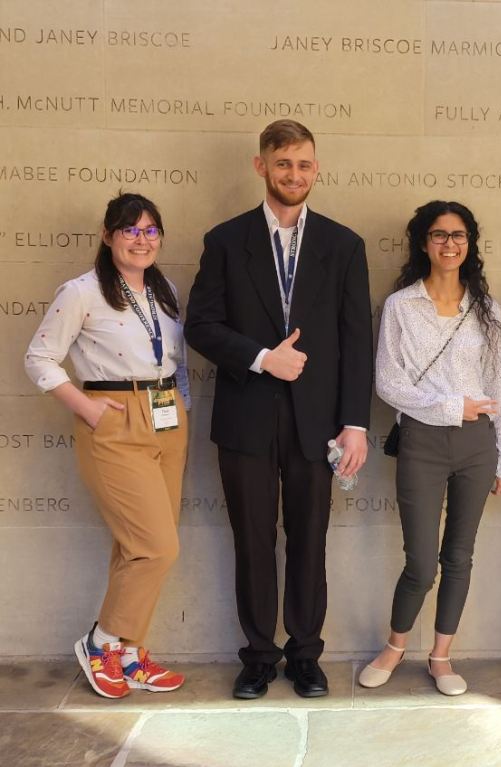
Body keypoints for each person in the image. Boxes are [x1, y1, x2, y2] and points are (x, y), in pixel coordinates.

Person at [185, 119, 372, 699]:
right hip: (246, 419)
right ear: (261, 165)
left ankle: (306, 654)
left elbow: (356, 341)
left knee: (310, 538)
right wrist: (263, 358)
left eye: (304, 164)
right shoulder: (225, 240)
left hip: (319, 423)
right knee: (252, 540)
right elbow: (200, 326)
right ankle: (259, 656)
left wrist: (356, 423)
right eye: (283, 163)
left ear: (317, 169)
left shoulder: (344, 245)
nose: (294, 174)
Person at [25, 192, 190, 698]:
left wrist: (181, 406)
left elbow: (176, 359)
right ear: (107, 235)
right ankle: (101, 643)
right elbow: (39, 358)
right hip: (114, 419)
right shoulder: (82, 292)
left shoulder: (164, 290)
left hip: (166, 418)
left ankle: (131, 654)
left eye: (150, 230)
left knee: (135, 547)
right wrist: (88, 407)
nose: (141, 240)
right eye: (129, 230)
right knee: (157, 547)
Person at [357, 201, 501, 696]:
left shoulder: (486, 308)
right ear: (423, 243)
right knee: (421, 563)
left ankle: (441, 656)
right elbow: (388, 383)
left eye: (459, 235)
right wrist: (452, 406)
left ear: (469, 243)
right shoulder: (401, 306)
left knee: (460, 556)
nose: (450, 244)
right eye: (439, 235)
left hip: (478, 445)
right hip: (422, 440)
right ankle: (394, 647)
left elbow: (499, 387)